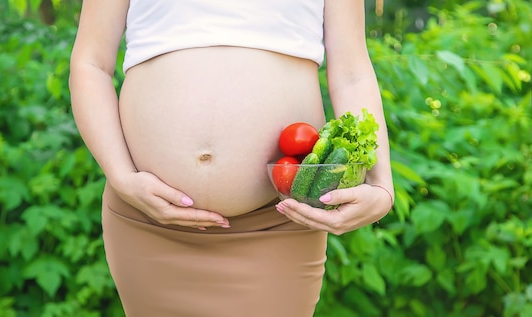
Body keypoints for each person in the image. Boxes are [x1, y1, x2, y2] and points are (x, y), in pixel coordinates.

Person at [68, 0, 394, 316]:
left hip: (277, 221)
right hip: (148, 219)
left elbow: (352, 74)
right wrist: (122, 177)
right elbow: (90, 63)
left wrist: (381, 184)